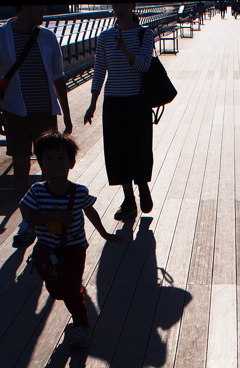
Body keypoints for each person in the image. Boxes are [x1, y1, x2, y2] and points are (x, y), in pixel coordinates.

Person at [21, 133, 122, 348]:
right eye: (48, 159)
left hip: (74, 248)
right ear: (40, 163)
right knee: (57, 290)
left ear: (71, 163)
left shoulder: (78, 192)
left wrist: (104, 234)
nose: (55, 163)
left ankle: (81, 326)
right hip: (47, 250)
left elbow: (90, 210)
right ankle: (74, 305)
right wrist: (52, 216)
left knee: (72, 288)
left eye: (60, 158)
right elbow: (29, 217)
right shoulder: (37, 192)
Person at [0, 5, 74, 248]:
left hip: (45, 112)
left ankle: (50, 219)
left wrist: (66, 113)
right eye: (40, 7)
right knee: (21, 166)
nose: (44, 11)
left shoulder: (47, 37)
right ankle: (28, 221)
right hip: (16, 112)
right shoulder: (0, 36)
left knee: (51, 169)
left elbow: (58, 76)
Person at [84, 3, 156, 221]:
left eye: (124, 3)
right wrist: (93, 102)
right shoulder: (105, 37)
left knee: (139, 148)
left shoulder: (145, 34)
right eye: (116, 3)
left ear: (133, 6)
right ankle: (128, 199)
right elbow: (99, 70)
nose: (120, 8)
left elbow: (145, 66)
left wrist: (126, 52)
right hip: (113, 102)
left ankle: (142, 187)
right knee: (117, 151)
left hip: (137, 102)